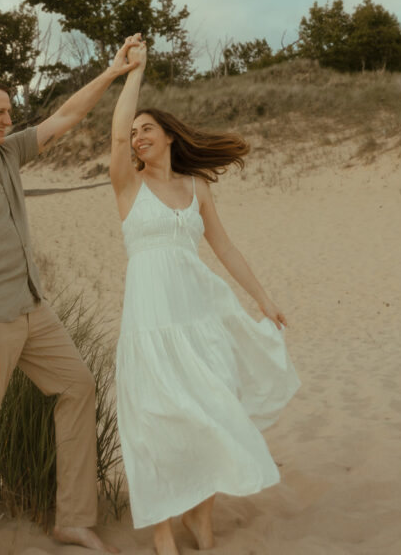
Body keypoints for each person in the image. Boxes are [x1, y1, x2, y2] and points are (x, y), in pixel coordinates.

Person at [0, 39, 141, 555]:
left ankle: (73, 520)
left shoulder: (9, 152)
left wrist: (111, 72)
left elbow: (65, 115)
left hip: (33, 310)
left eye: (10, 113)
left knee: (78, 386)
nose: (7, 120)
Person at [110, 37, 300, 555]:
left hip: (200, 316)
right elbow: (115, 132)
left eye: (147, 128)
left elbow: (225, 247)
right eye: (133, 133)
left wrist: (263, 299)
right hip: (151, 324)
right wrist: (132, 75)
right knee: (156, 422)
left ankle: (201, 514)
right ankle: (165, 531)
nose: (137, 136)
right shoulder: (127, 185)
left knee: (215, 408)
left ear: (169, 135)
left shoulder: (197, 187)